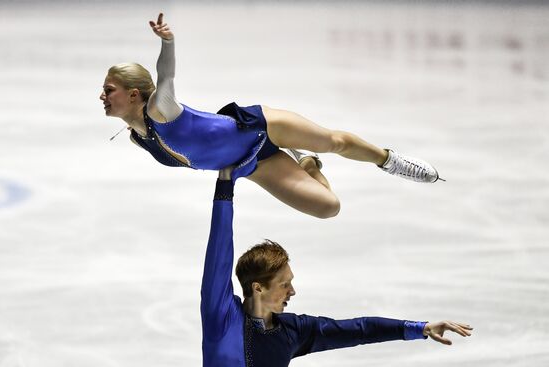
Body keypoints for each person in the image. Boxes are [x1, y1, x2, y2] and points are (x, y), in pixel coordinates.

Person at [101, 13, 443, 219]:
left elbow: (167, 75)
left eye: (109, 89)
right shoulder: (137, 138)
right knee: (328, 207)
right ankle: (307, 163)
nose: (103, 96)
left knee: (334, 142)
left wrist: (168, 42)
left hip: (260, 127)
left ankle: (387, 160)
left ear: (134, 94)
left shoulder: (160, 109)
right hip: (251, 164)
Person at [200, 167, 472, 367]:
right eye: (284, 284)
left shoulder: (293, 331)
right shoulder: (222, 315)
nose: (292, 291)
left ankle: (309, 163)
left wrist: (419, 328)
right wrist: (225, 184)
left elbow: (357, 329)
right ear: (257, 287)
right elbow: (220, 250)